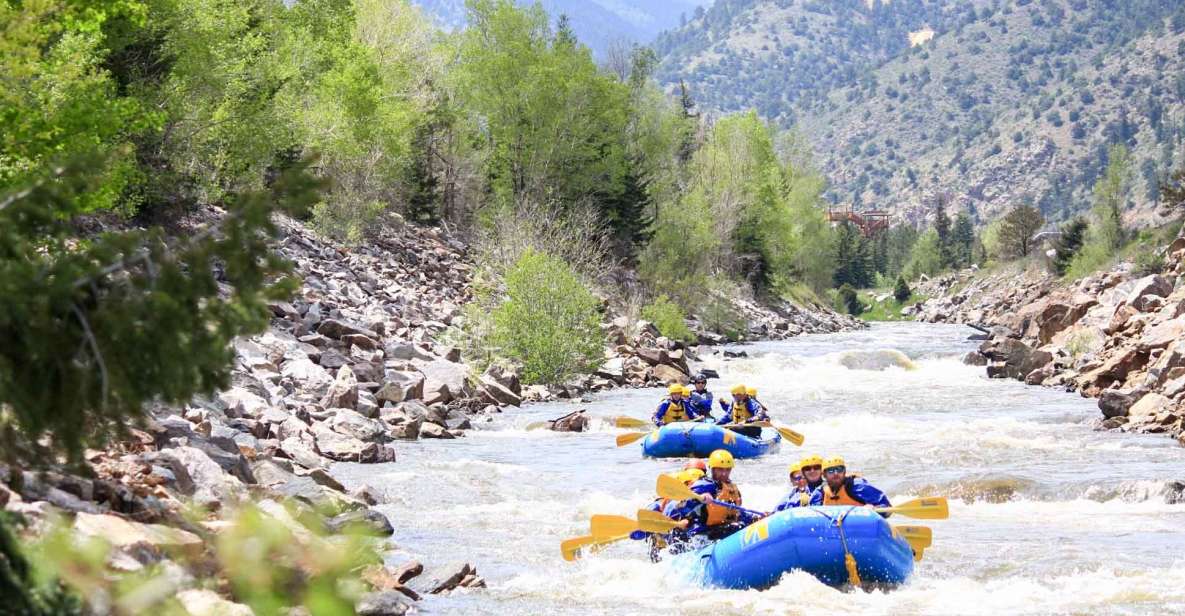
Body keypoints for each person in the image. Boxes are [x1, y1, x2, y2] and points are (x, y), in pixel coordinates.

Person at [668, 449, 760, 541]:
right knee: (738, 527)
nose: (724, 473)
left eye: (727, 469)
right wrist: (698, 498)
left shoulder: (731, 488)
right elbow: (680, 504)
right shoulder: (705, 484)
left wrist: (754, 518)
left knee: (743, 524)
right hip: (700, 532)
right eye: (720, 469)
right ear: (712, 469)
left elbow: (736, 513)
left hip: (721, 528)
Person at [819, 456, 892, 515]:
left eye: (839, 469)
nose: (836, 473)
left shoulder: (858, 487)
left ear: (844, 472)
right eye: (831, 470)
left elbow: (887, 508)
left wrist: (875, 509)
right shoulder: (820, 492)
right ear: (824, 475)